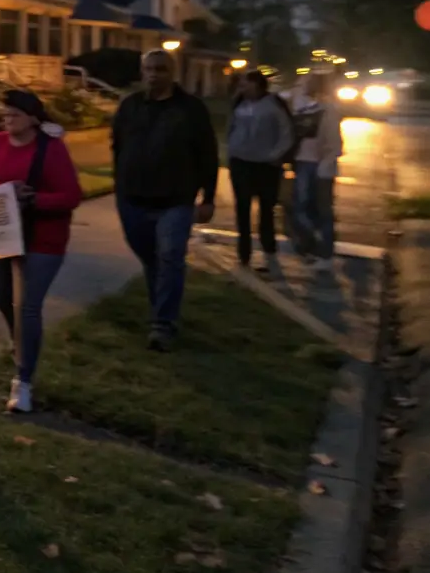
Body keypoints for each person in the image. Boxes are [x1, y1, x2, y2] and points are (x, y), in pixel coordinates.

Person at [0, 88, 83, 413]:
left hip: (43, 238)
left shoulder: (51, 150)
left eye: (15, 114)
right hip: (0, 231)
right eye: (4, 113)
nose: (7, 119)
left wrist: (34, 199)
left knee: (28, 308)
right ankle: (21, 343)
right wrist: (4, 192)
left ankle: (23, 381)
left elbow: (71, 195)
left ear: (34, 119)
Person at [112, 48, 219, 351]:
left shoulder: (191, 109)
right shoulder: (130, 106)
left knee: (170, 258)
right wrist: (119, 184)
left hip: (175, 200)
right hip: (132, 198)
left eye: (160, 69)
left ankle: (163, 325)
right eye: (148, 69)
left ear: (172, 72)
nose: (153, 75)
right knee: (151, 259)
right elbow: (118, 146)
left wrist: (208, 197)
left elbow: (208, 155)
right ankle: (161, 306)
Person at [226, 70, 295, 273]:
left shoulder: (274, 105)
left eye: (246, 84)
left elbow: (286, 133)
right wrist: (231, 151)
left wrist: (276, 155)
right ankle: (244, 254)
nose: (242, 88)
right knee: (242, 208)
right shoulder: (239, 103)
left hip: (266, 166)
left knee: (266, 210)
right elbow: (232, 128)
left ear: (257, 85)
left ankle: (269, 252)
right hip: (241, 163)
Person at [284, 72, 344, 273]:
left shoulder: (327, 110)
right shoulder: (302, 106)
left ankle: (324, 252)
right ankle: (310, 245)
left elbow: (334, 143)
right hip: (302, 162)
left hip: (318, 166)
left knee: (321, 210)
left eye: (305, 82)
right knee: (300, 208)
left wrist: (325, 167)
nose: (301, 85)